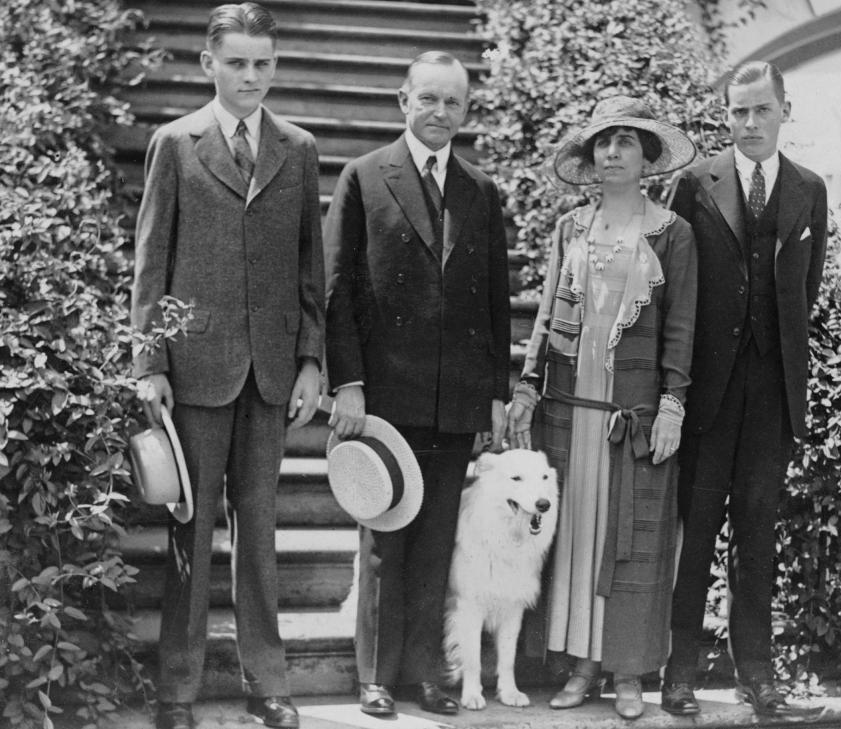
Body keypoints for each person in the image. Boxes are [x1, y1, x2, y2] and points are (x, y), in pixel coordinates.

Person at [130, 4, 324, 729]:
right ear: (208, 63)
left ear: (275, 66)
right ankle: (176, 690)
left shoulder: (298, 148)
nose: (251, 76)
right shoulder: (175, 143)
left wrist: (311, 359)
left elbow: (311, 265)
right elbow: (151, 263)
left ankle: (265, 680)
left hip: (271, 371)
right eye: (237, 62)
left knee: (260, 532)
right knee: (191, 528)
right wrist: (149, 360)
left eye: (263, 63)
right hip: (197, 368)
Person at [322, 51, 511, 717]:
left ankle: (426, 673)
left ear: (466, 111)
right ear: (403, 101)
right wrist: (347, 382)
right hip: (385, 395)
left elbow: (495, 297)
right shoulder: (364, 177)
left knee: (435, 540)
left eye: (451, 102)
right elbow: (337, 288)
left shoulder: (480, 191)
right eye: (426, 99)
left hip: (454, 398)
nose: (438, 112)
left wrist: (495, 390)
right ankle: (376, 674)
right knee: (383, 541)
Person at [507, 96, 698, 721]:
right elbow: (543, 320)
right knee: (579, 538)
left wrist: (671, 403)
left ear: (647, 157)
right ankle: (582, 667)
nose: (612, 153)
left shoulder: (673, 234)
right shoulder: (571, 228)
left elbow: (681, 328)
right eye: (603, 143)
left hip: (633, 417)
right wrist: (528, 385)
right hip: (572, 410)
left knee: (633, 543)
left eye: (626, 142)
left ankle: (627, 673)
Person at [661, 61, 828, 718]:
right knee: (695, 533)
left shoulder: (808, 190)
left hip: (772, 395)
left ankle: (757, 674)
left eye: (761, 109)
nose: (749, 123)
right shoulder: (694, 183)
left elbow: (804, 293)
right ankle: (679, 671)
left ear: (785, 109)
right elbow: (676, 287)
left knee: (757, 536)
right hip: (708, 392)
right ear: (725, 115)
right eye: (738, 112)